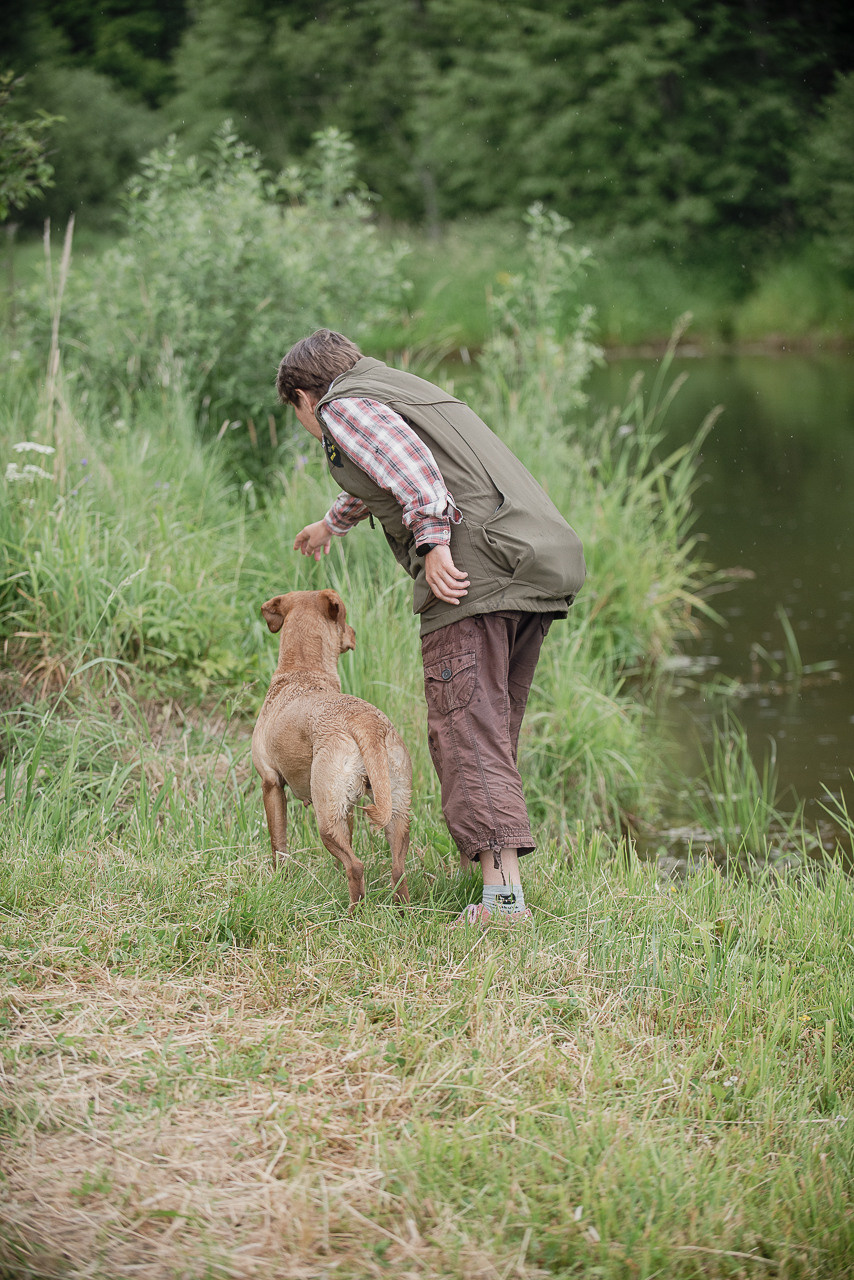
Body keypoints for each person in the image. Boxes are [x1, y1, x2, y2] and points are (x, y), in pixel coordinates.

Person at [277, 329, 586, 926]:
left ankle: (503, 905)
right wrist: (331, 524)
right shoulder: (393, 388)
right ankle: (503, 884)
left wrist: (435, 544)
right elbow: (386, 471)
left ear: (303, 398)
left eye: (297, 414)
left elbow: (414, 474)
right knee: (490, 727)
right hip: (530, 564)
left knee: (465, 729)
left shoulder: (342, 405)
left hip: (472, 575)